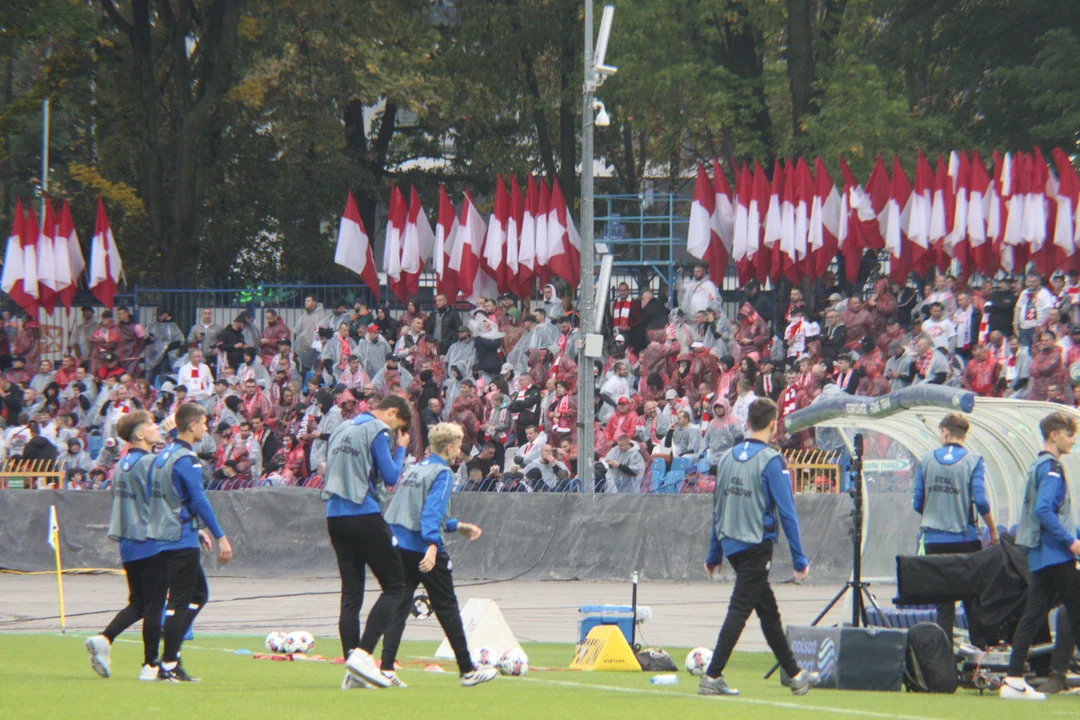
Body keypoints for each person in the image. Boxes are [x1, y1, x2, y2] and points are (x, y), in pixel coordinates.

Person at [699, 398, 819, 697]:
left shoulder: (726, 458)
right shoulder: (771, 459)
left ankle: (795, 674)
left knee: (767, 611)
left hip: (731, 542)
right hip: (756, 543)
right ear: (772, 424)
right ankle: (712, 675)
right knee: (740, 608)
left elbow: (718, 508)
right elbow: (787, 511)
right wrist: (799, 557)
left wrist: (715, 553)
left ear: (747, 422)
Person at [379, 422, 497, 687]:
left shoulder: (416, 468)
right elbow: (430, 514)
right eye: (457, 447)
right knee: (447, 606)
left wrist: (458, 526)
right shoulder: (444, 472)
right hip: (422, 547)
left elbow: (413, 508)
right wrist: (432, 546)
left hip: (399, 543)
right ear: (447, 447)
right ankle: (467, 670)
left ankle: (386, 667)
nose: (459, 453)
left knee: (399, 605)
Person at [322, 394, 412, 690]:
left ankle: (351, 670)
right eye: (398, 425)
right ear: (393, 413)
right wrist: (400, 449)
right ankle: (363, 654)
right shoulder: (377, 430)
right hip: (363, 511)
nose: (395, 432)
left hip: (334, 514)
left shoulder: (341, 428)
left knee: (351, 593)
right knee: (396, 585)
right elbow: (390, 477)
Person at [83, 411, 173, 681]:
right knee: (155, 605)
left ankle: (105, 638)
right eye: (150, 424)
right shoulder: (149, 462)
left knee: (139, 604)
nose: (156, 427)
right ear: (139, 434)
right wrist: (173, 439)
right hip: (151, 541)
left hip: (128, 543)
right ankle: (150, 664)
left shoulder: (121, 465)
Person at [147, 403, 233, 682]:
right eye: (204, 423)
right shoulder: (187, 459)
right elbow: (199, 500)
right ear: (193, 425)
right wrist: (220, 535)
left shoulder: (163, 455)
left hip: (166, 534)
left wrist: (195, 529)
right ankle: (169, 663)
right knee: (180, 601)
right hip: (179, 540)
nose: (206, 428)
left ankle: (172, 652)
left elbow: (165, 497)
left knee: (197, 594)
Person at [1001, 412, 1080, 701]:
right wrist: (1071, 541)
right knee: (1076, 610)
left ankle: (1013, 680)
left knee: (1032, 617)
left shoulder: (1037, 465)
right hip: (1055, 554)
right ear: (1056, 434)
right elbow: (1044, 511)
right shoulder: (1053, 469)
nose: (1073, 440)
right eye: (1070, 434)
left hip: (1039, 555)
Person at [912, 413, 998, 644]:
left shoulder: (926, 460)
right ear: (964, 435)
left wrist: (935, 514)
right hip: (965, 539)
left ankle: (945, 658)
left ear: (946, 432)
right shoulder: (974, 461)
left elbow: (917, 502)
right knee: (972, 600)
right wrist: (992, 530)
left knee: (944, 605)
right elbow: (980, 501)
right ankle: (979, 652)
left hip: (934, 541)